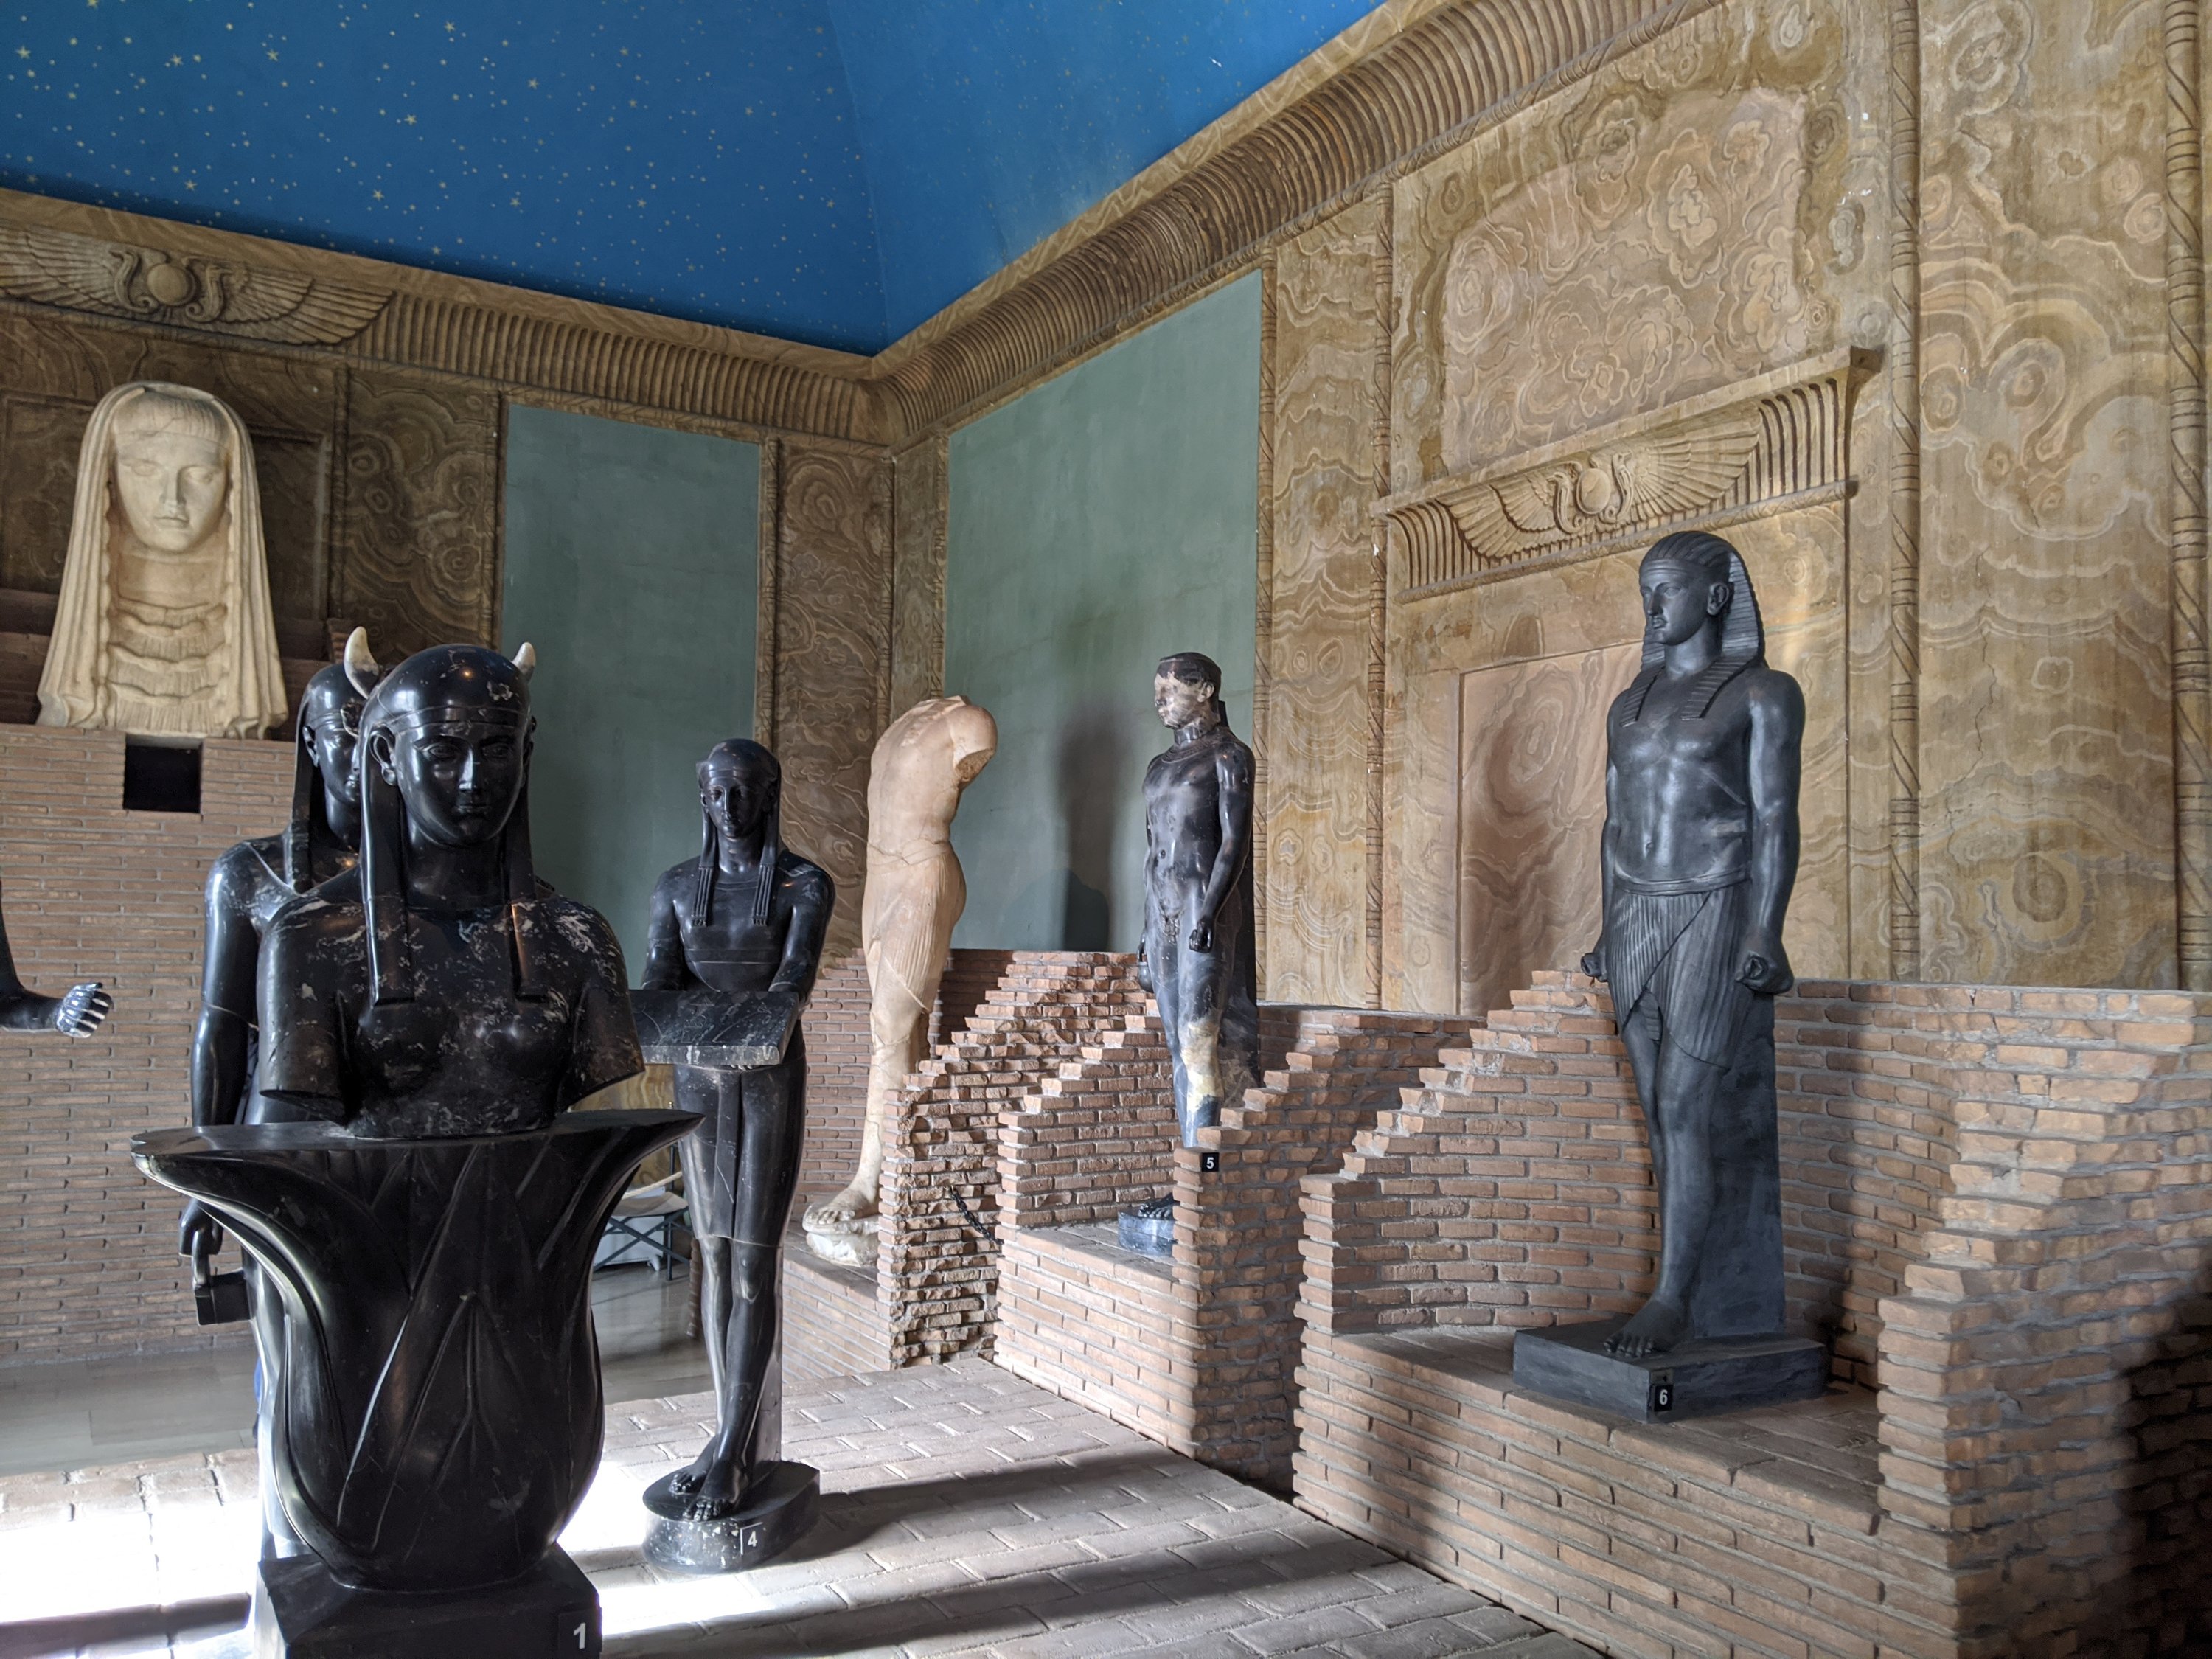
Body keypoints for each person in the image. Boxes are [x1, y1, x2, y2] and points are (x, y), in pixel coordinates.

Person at [1582, 530, 1803, 1360]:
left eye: (1667, 589)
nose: (1652, 606)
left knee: (1685, 1107)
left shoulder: (1764, 693)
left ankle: (1675, 1298)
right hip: (1636, 911)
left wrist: (1766, 926)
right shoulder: (1628, 703)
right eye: (1646, 590)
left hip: (1716, 900)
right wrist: (1607, 923)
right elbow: (1614, 823)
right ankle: (1680, 1282)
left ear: (1715, 596)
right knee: (1658, 1113)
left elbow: (1775, 817)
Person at [178, 644, 369, 1560]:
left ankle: (374, 1551)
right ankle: (290, 1552)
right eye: (348, 736)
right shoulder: (250, 874)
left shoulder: (432, 880)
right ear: (314, 743)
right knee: (294, 1369)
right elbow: (221, 1029)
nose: (365, 758)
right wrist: (207, 1170)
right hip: (280, 1142)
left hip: (391, 1146)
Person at [642, 739, 832, 1522]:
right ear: (703, 797)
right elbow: (661, 981)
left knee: (753, 1263)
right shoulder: (677, 886)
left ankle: (734, 1449)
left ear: (770, 794)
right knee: (714, 1258)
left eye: (745, 790)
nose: (730, 805)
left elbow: (790, 984)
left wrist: (716, 1020)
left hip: (768, 1077)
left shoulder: (803, 885)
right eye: (718, 792)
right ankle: (727, 1435)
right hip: (702, 1079)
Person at [1139, 651, 1257, 1154]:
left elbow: (1235, 843)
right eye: (1158, 692)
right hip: (1162, 914)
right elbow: (1152, 851)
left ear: (1205, 690)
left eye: (1171, 689)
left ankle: (1207, 1174)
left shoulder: (1229, 756)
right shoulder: (1157, 768)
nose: (1160, 700)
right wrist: (1144, 933)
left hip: (1202, 909)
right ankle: (1195, 1170)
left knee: (1199, 1043)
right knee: (1176, 1048)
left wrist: (1209, 912)